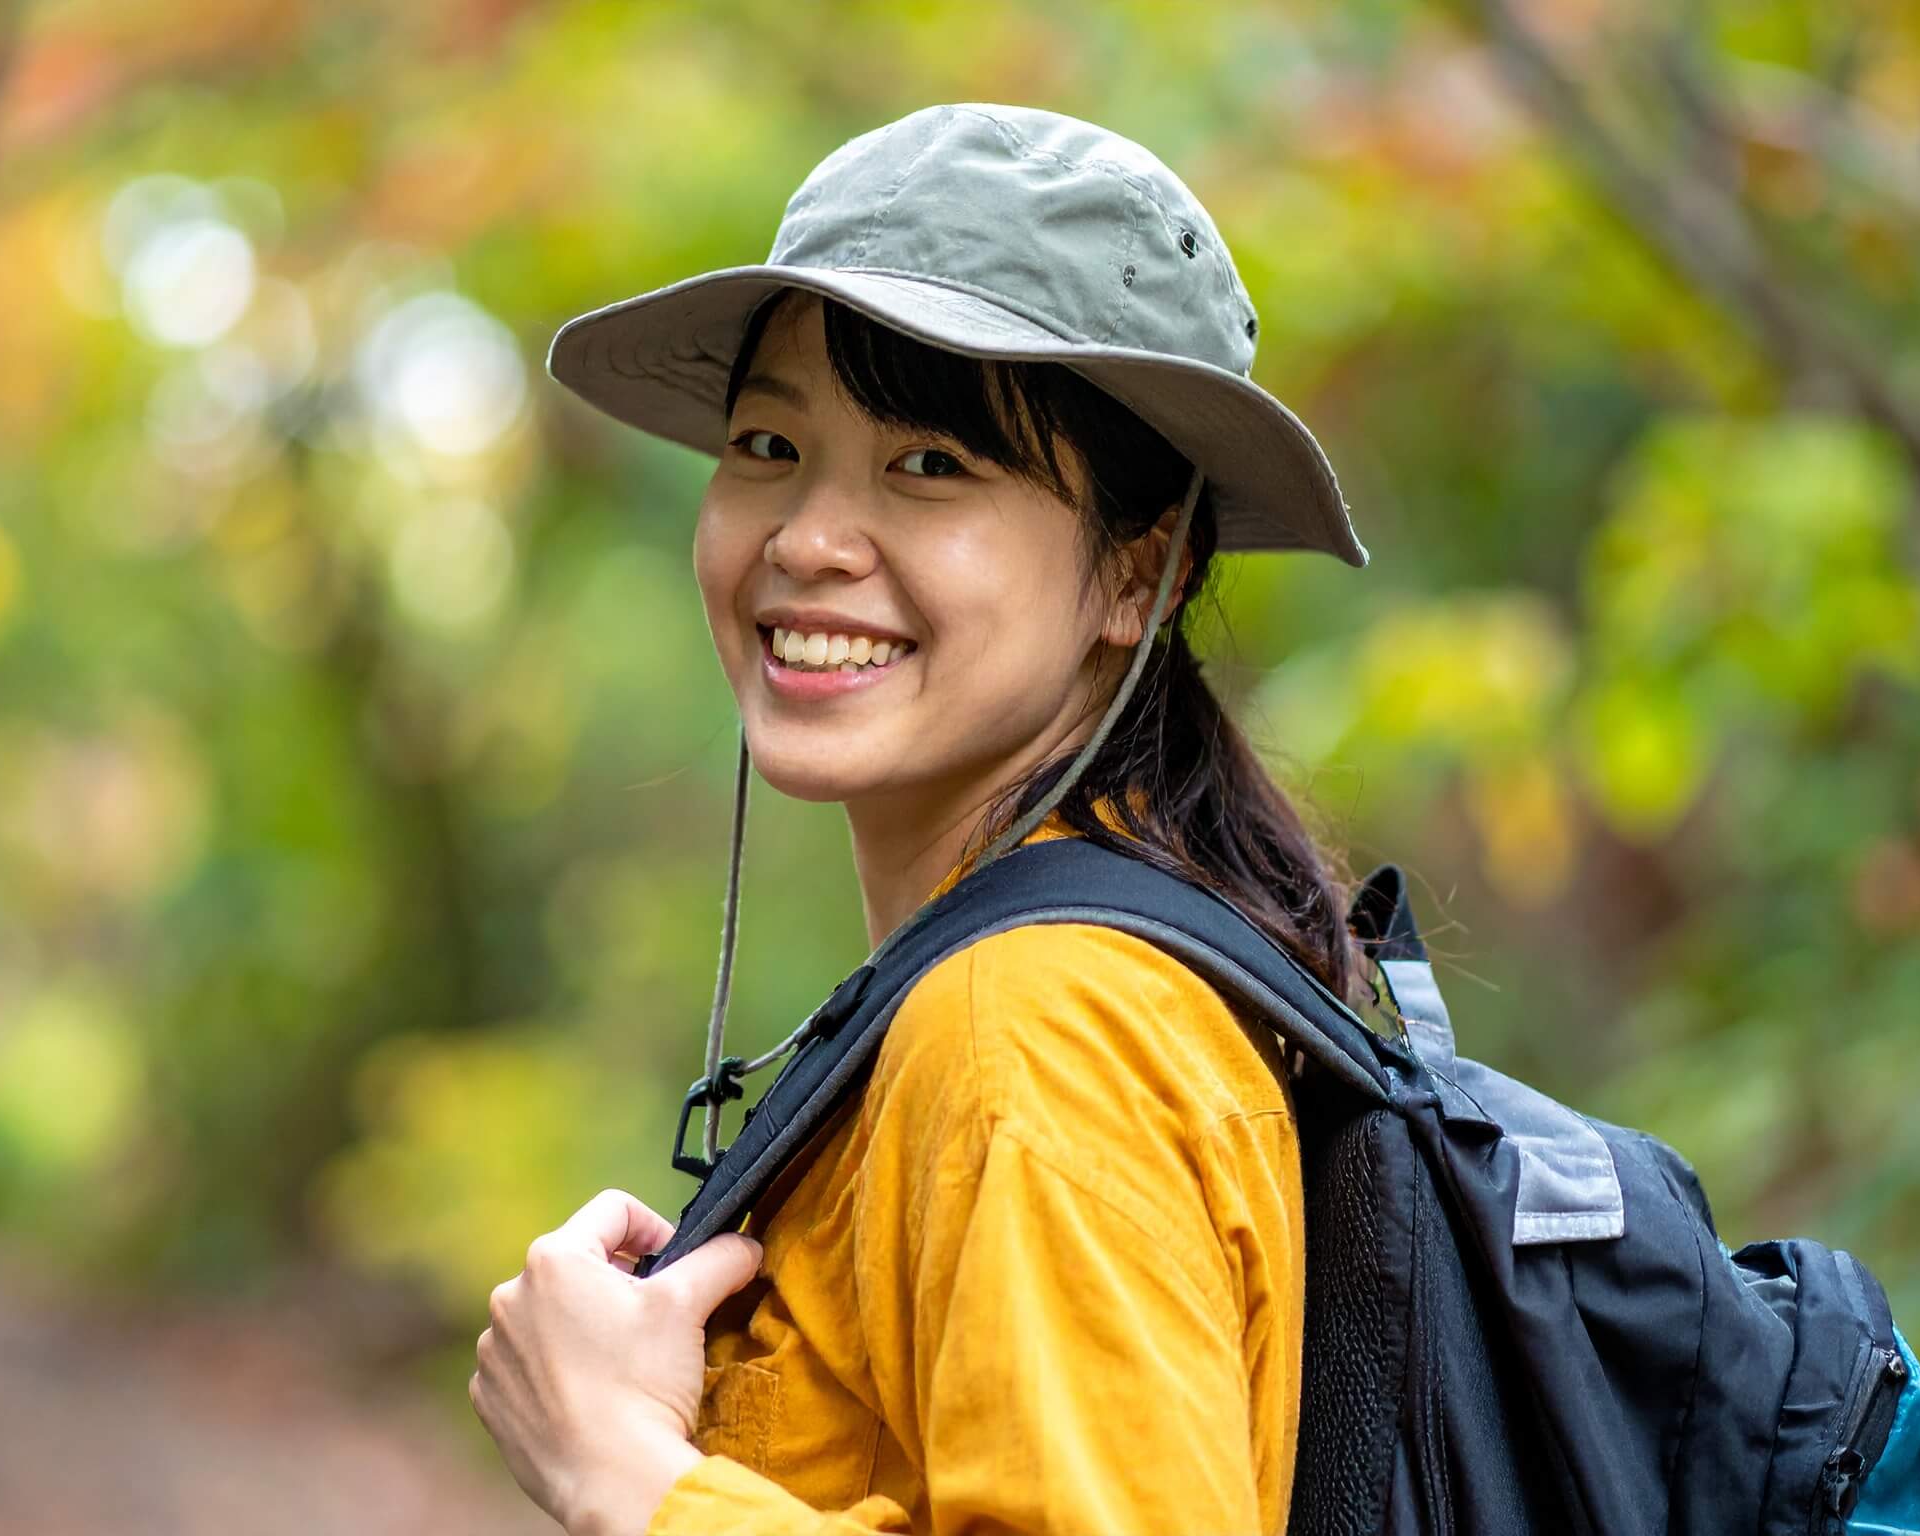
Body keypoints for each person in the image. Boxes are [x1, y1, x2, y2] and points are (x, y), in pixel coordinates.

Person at [468, 102, 1377, 1535]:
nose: (807, 538)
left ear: (1137, 574)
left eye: (932, 464)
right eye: (769, 442)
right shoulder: (1069, 978)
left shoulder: (1033, 1036)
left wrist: (621, 1472)